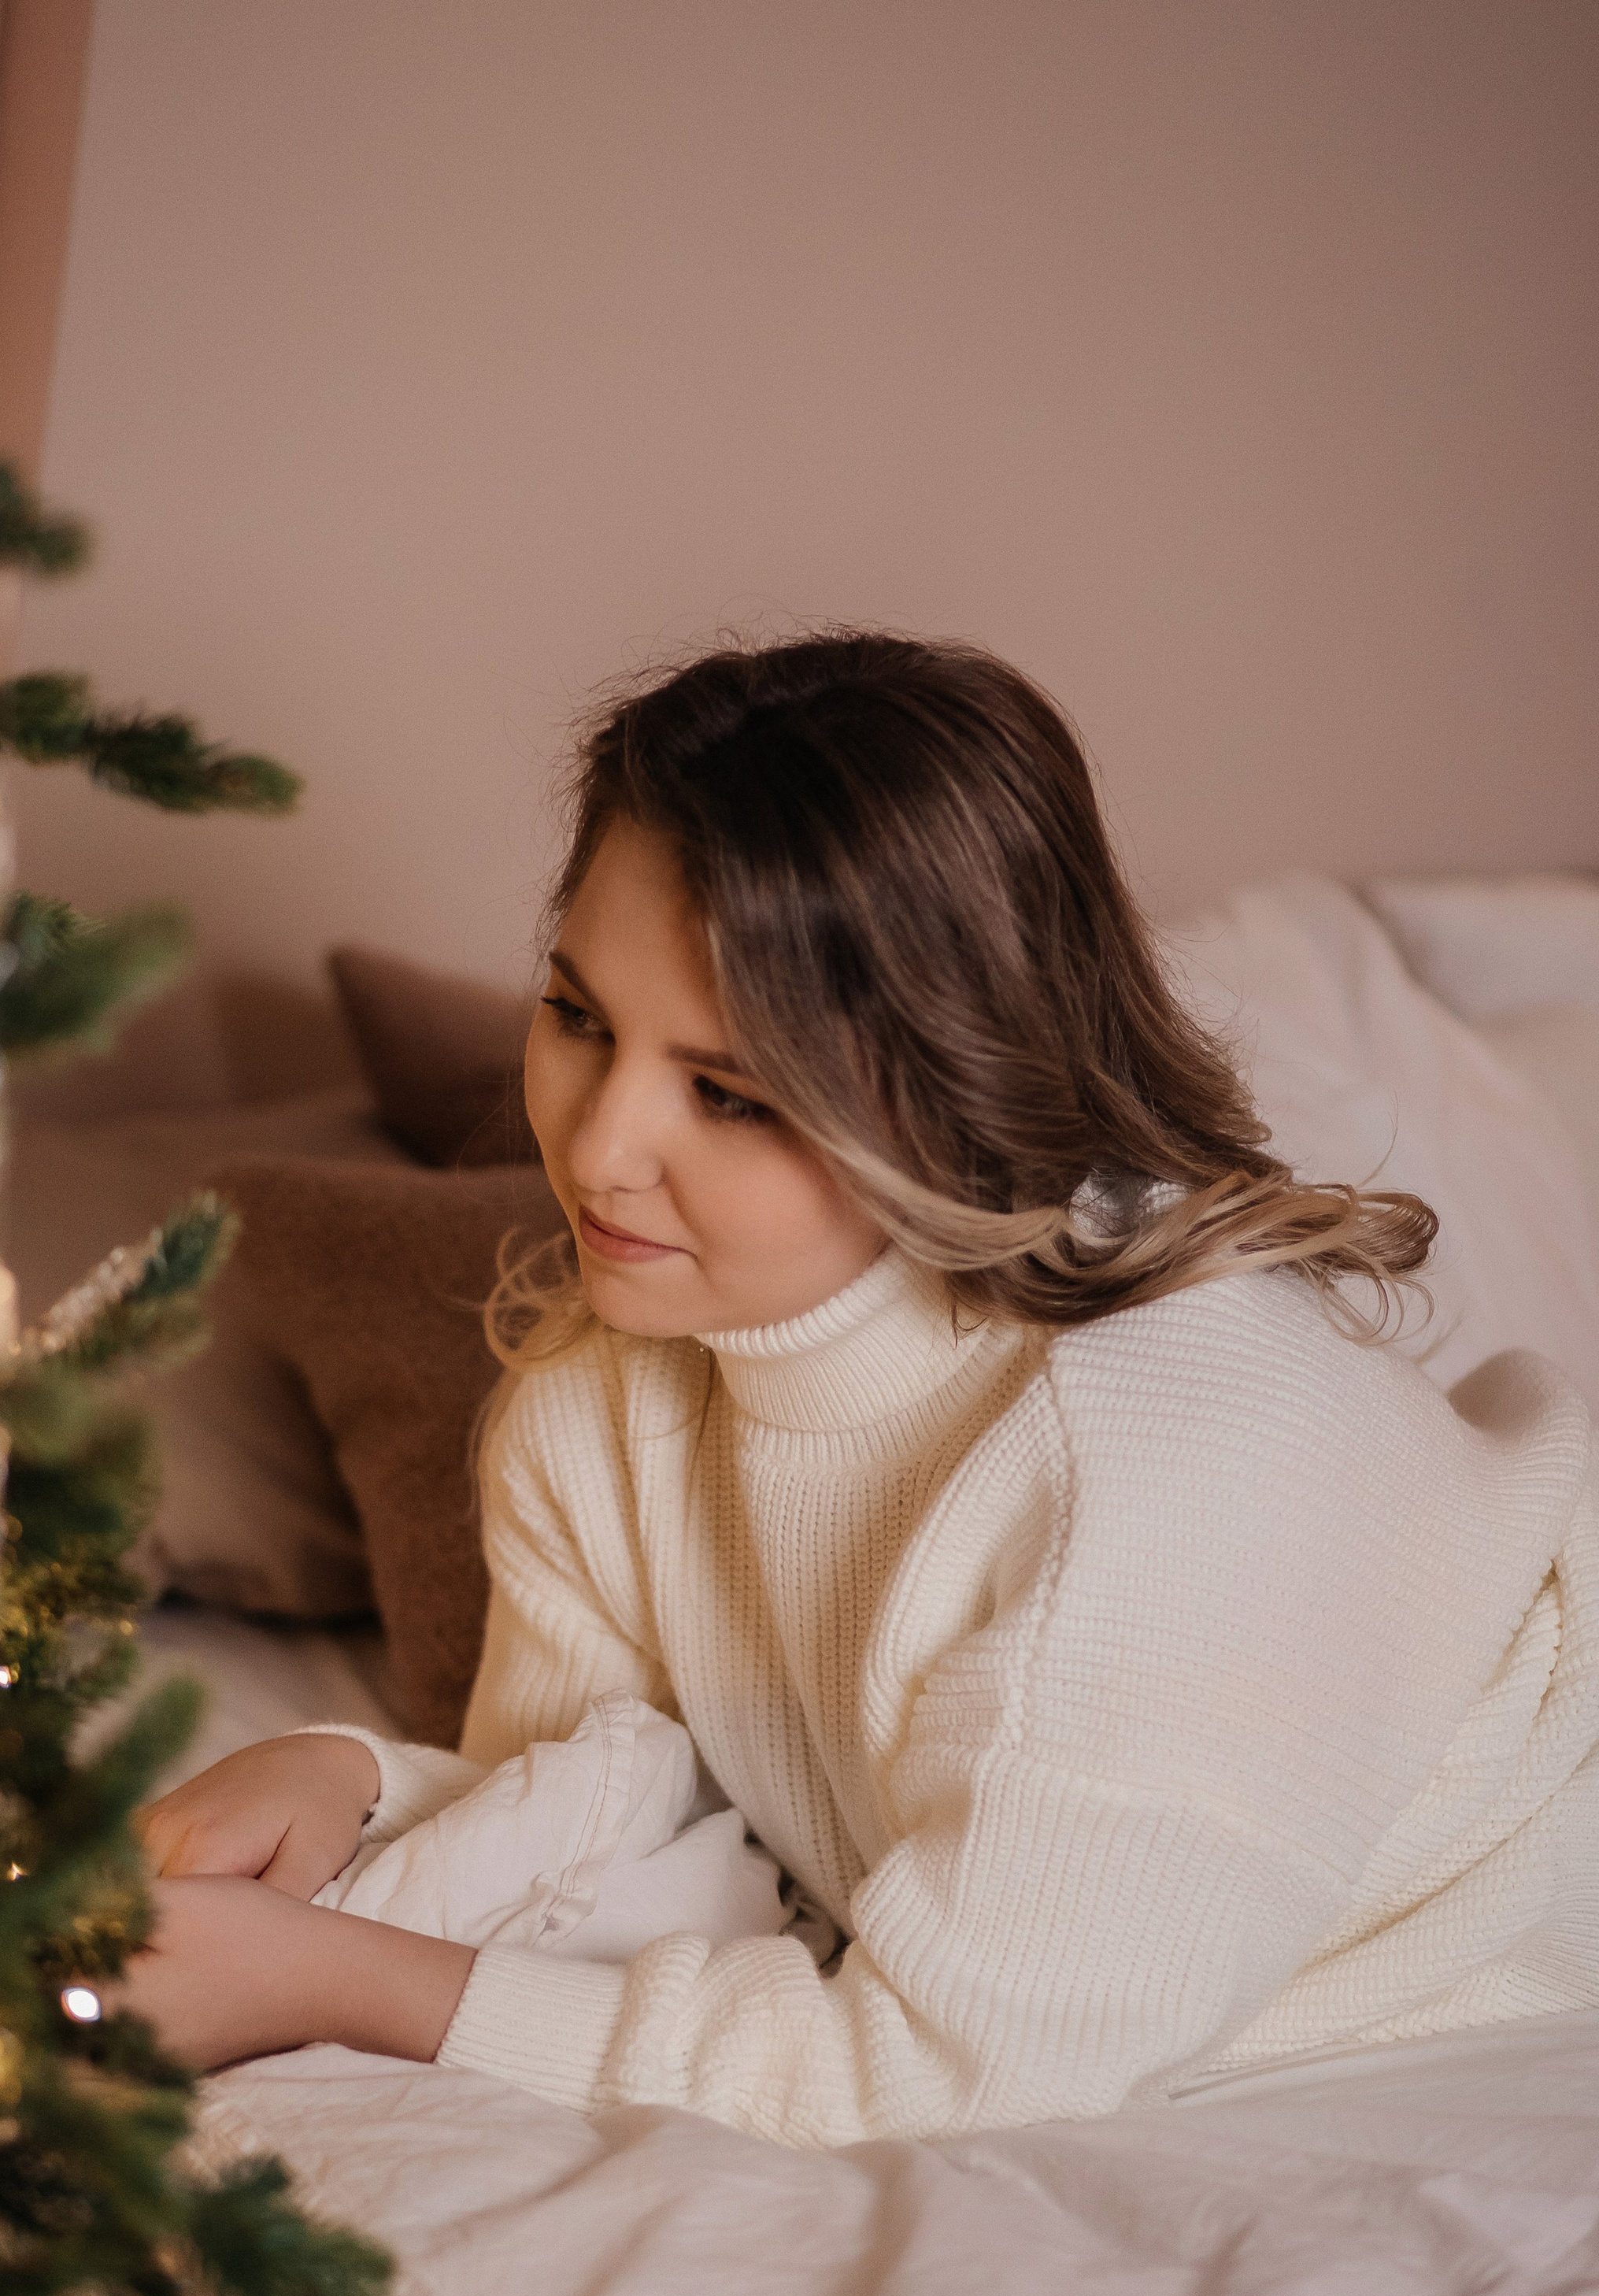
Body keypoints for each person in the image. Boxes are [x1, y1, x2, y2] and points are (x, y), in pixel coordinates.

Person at [116, 632, 1599, 2148]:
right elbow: (608, 1827)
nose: (598, 1145)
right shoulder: (594, 1394)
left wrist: (324, 1978)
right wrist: (355, 1780)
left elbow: (944, 2070)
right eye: (577, 1017)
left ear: (960, 1085)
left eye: (732, 1094)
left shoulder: (1172, 1463)